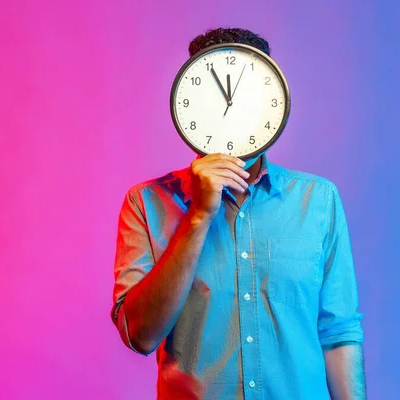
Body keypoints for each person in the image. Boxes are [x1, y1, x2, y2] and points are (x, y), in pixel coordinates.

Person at [111, 27, 366, 400]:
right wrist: (198, 216)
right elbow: (141, 335)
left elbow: (338, 334)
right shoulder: (146, 203)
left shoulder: (319, 200)